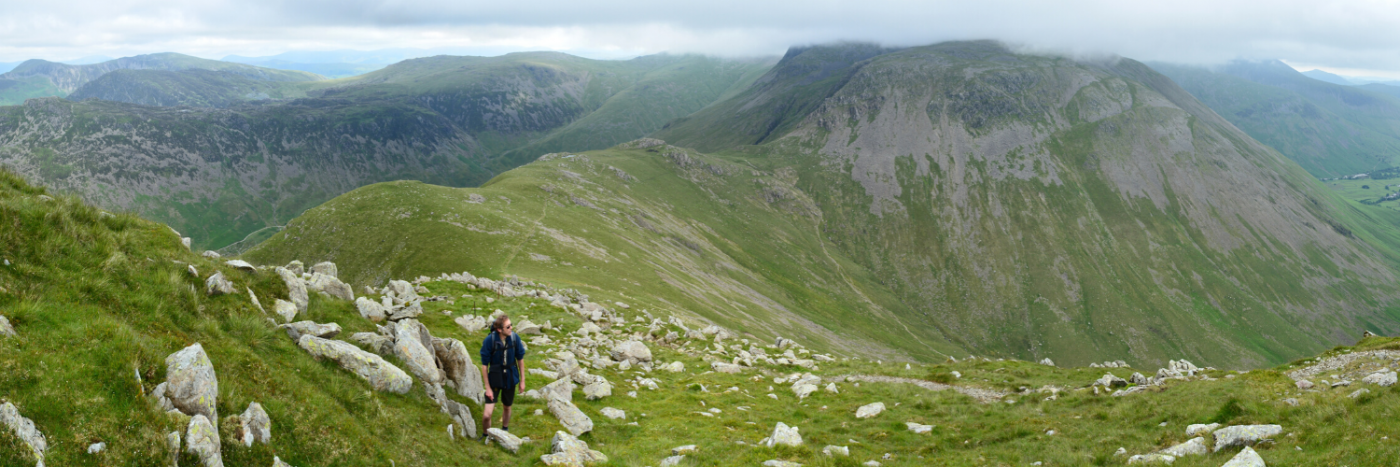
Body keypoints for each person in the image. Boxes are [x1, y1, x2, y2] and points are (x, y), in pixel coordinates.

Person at [479, 314, 526, 433]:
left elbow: (520, 359)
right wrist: (488, 388)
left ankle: (504, 429)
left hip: (510, 378)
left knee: (507, 406)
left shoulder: (515, 338)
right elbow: (484, 366)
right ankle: (486, 435)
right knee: (487, 415)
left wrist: (522, 381)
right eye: (508, 327)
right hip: (494, 378)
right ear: (500, 330)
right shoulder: (490, 341)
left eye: (511, 325)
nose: (511, 328)